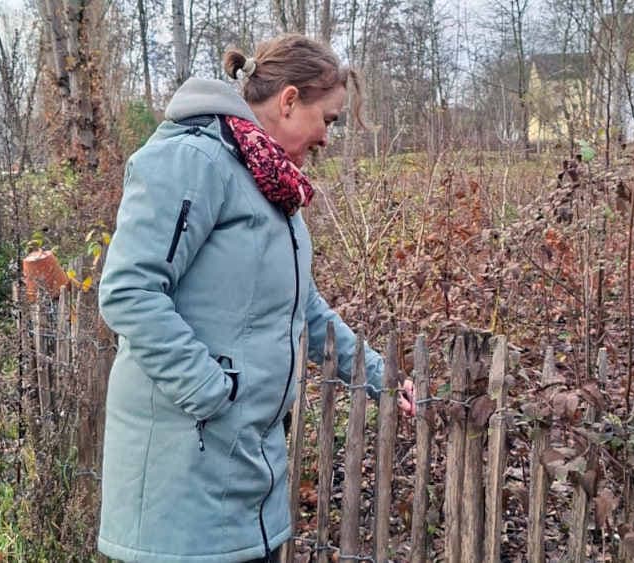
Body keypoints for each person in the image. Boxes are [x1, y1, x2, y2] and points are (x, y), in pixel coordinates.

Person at [96, 34, 416, 563]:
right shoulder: (191, 159)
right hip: (185, 469)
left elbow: (304, 307)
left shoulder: (268, 183)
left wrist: (378, 376)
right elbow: (131, 291)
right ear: (288, 100)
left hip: (246, 469)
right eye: (328, 119)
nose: (327, 138)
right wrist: (214, 395)